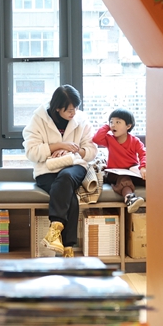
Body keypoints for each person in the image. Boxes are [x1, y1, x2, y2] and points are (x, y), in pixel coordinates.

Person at [23, 85, 96, 258]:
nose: (74, 113)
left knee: (66, 177)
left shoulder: (82, 120)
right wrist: (59, 145)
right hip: (46, 169)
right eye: (69, 110)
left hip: (74, 165)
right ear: (57, 107)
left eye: (76, 108)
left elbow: (91, 151)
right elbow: (31, 152)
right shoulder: (38, 119)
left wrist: (72, 150)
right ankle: (68, 248)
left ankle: (54, 229)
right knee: (70, 197)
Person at [92, 108, 147, 213]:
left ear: (128, 126)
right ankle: (130, 199)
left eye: (118, 122)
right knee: (124, 179)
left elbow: (143, 153)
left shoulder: (135, 141)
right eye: (111, 122)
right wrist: (107, 126)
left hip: (132, 171)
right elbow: (96, 139)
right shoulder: (109, 139)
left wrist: (143, 167)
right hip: (115, 173)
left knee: (148, 178)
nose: (113, 125)